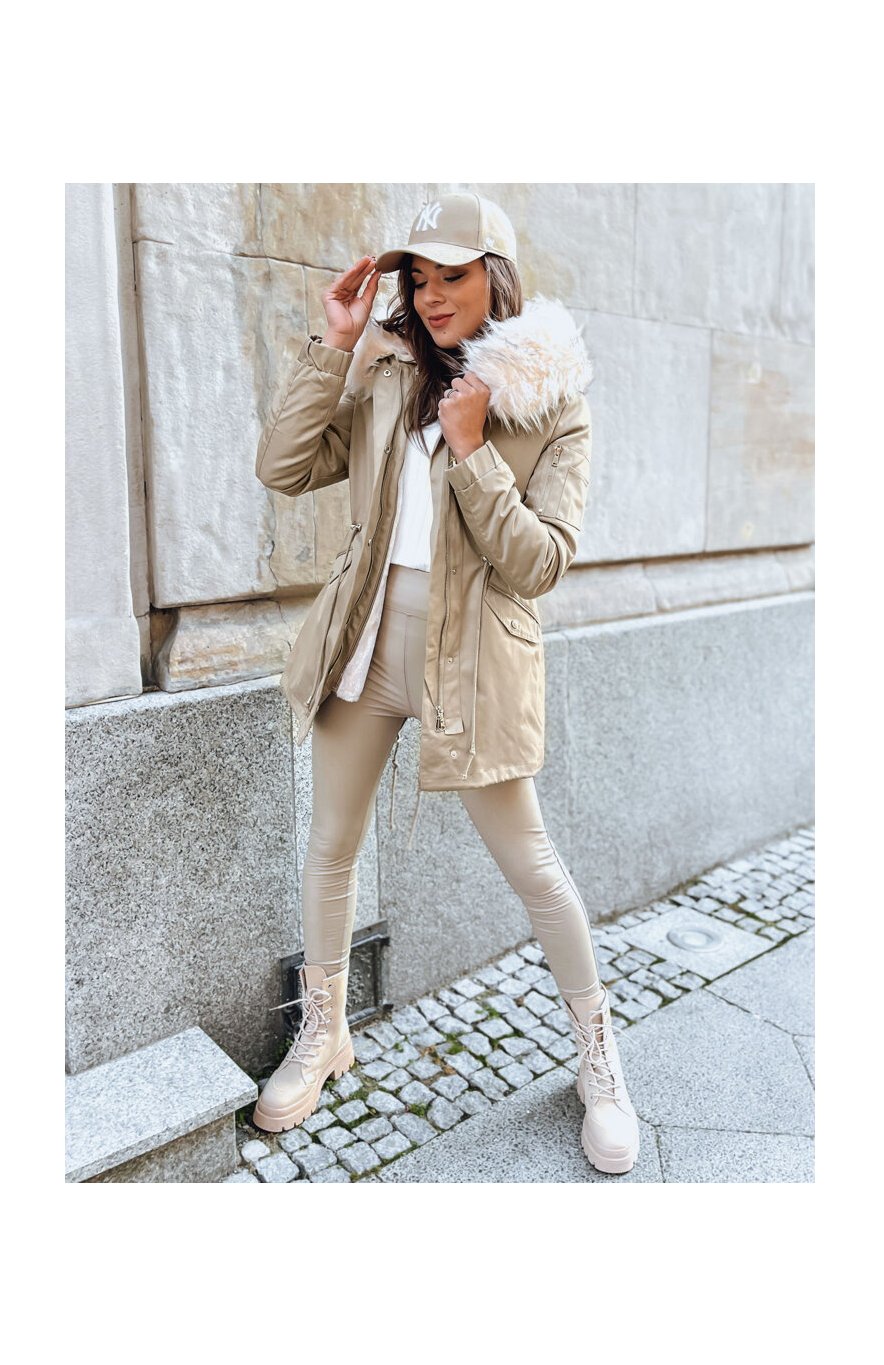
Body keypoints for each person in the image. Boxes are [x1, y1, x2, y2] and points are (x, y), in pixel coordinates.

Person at [252, 191, 639, 1175]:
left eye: (452, 276)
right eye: (418, 278)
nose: (429, 296)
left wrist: (472, 451)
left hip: (474, 664)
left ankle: (599, 1059)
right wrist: (335, 347)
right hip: (366, 642)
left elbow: (540, 563)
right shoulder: (388, 373)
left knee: (533, 867)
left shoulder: (553, 401)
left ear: (495, 278)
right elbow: (283, 466)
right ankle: (326, 1032)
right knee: (331, 846)